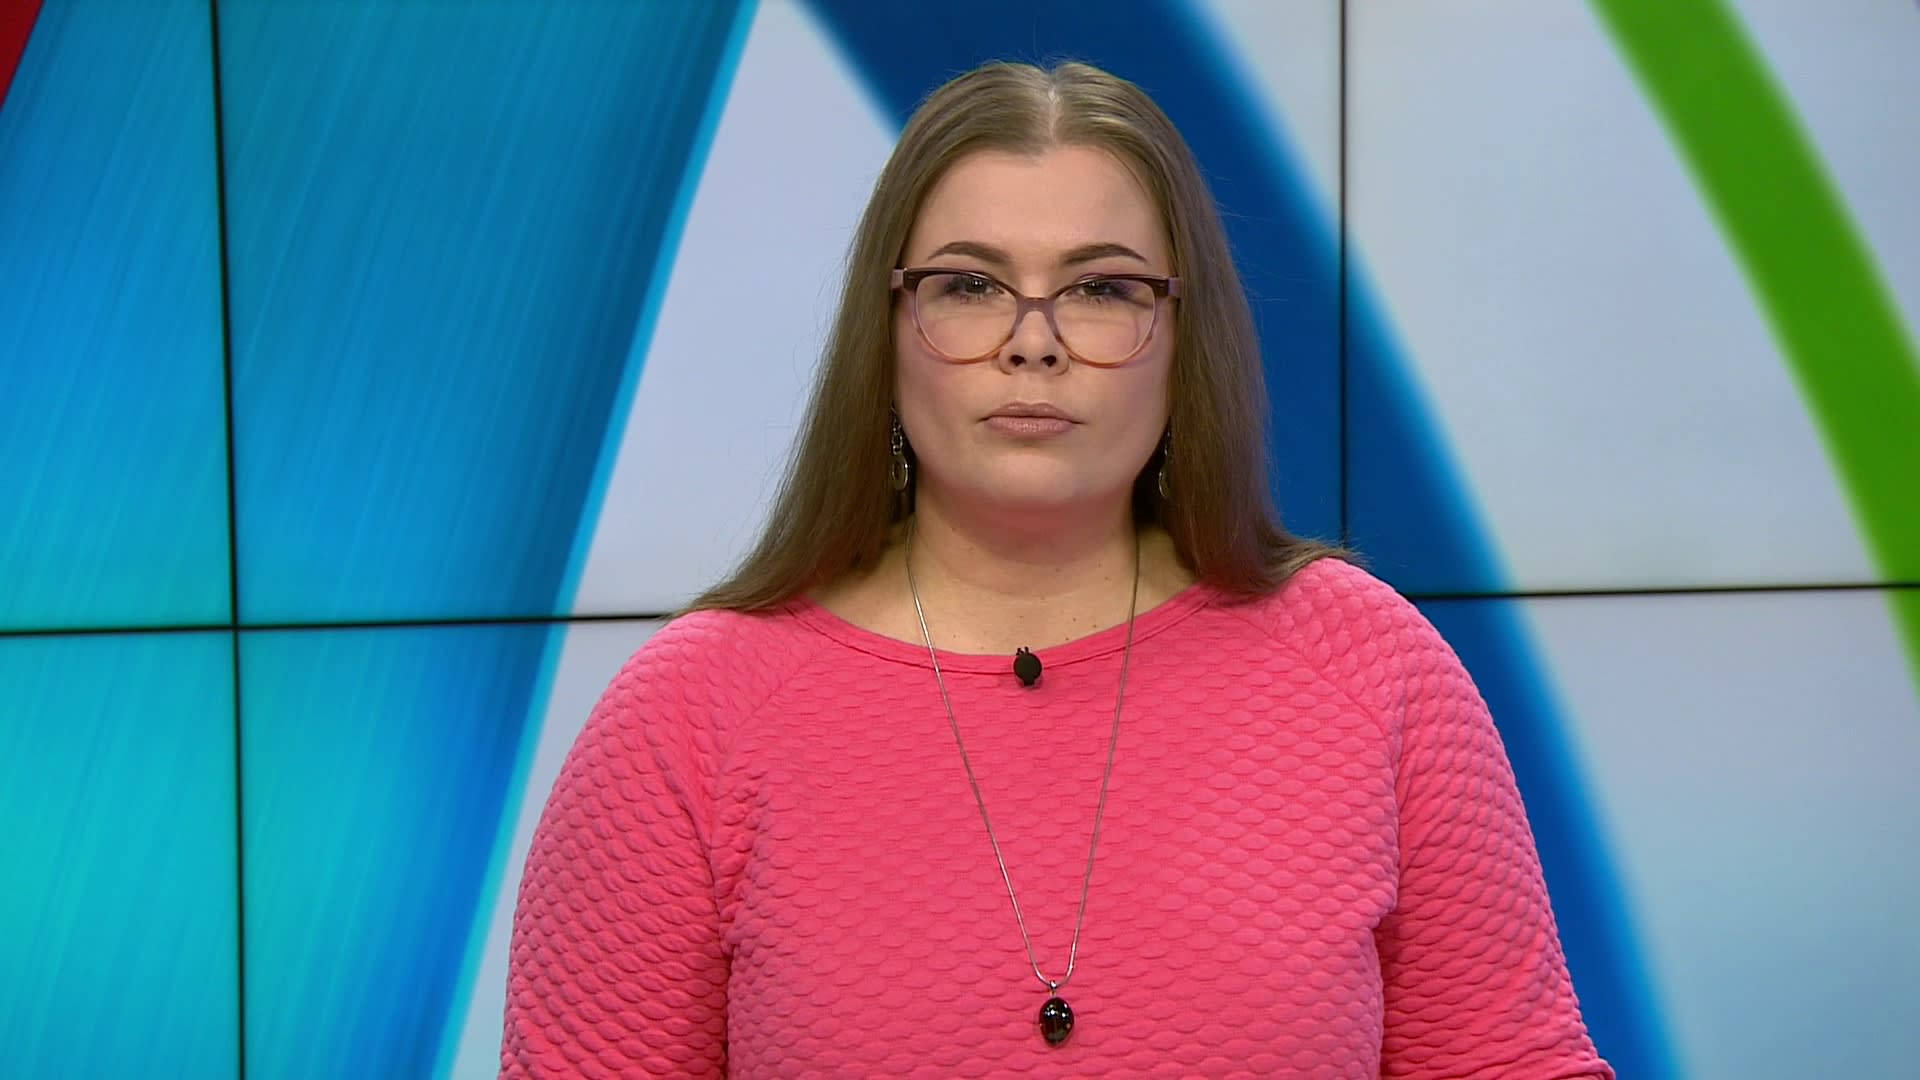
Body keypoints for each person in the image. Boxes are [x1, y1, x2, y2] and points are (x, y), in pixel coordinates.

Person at [500, 60, 1612, 1078]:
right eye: (970, 285)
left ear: (1185, 338)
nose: (1033, 341)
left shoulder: (1370, 668)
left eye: (1102, 289)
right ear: (888, 328)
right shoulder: (689, 716)